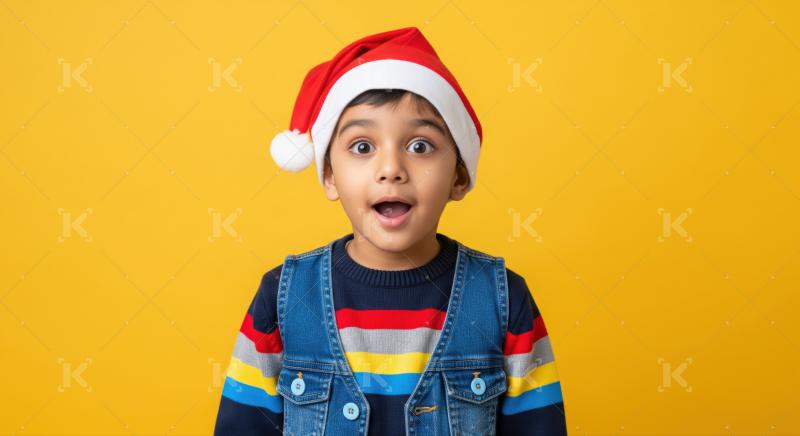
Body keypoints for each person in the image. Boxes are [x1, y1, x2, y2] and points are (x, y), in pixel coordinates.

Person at [213, 26, 566, 435]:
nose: (391, 169)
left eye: (420, 146)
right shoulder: (284, 298)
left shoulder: (504, 300)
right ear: (328, 175)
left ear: (459, 175)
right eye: (363, 147)